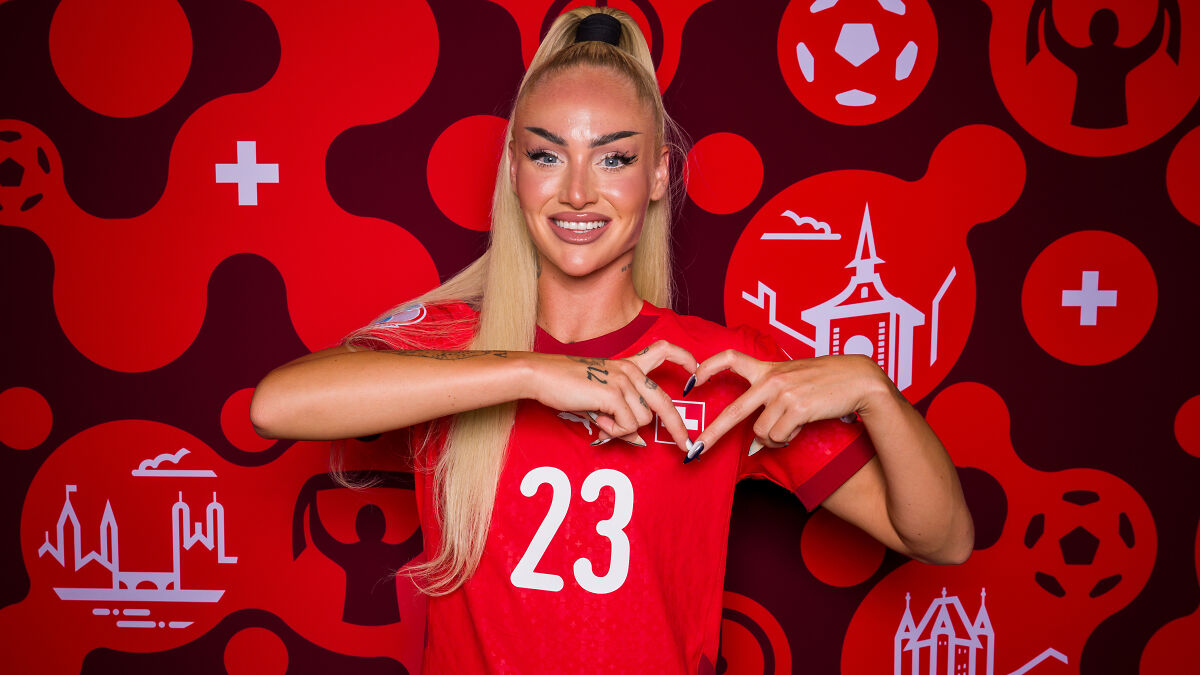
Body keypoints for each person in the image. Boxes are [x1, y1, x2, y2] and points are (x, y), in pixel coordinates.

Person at [250, 7, 973, 672]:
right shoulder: (456, 346)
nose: (577, 193)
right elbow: (278, 405)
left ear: (659, 173)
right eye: (546, 155)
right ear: (512, 171)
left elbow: (942, 539)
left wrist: (879, 396)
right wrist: (534, 372)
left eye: (615, 158)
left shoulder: (717, 368)